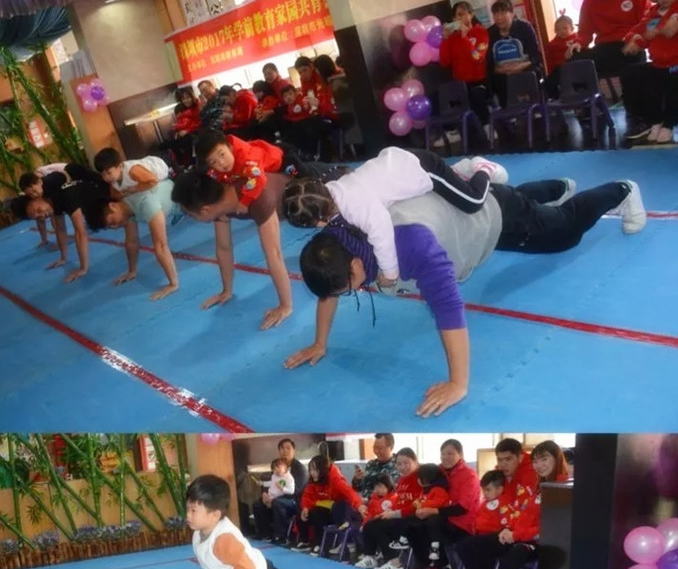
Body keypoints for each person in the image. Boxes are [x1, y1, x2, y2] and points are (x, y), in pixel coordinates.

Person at [286, 174, 646, 418]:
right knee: (514, 200)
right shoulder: (338, 238)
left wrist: (458, 383)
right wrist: (320, 343)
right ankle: (557, 186)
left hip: (495, 220)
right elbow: (330, 288)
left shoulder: (411, 246)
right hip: (466, 209)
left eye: (348, 287)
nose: (349, 293)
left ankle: (621, 190)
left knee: (563, 231)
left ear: (354, 264)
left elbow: (449, 309)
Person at [281, 147, 507, 287]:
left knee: (473, 202)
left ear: (319, 220)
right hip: (396, 163)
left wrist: (390, 274)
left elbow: (382, 233)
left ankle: (482, 168)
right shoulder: (329, 191)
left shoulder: (356, 206)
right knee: (454, 190)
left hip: (422, 168)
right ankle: (456, 177)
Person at [170, 158, 346, 330]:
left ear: (205, 210)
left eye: (190, 214)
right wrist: (226, 291)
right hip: (305, 197)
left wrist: (285, 306)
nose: (192, 218)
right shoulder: (219, 202)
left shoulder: (258, 198)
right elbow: (224, 248)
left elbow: (274, 254)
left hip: (327, 182)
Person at [455, 440, 569, 569]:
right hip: (518, 535)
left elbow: (547, 528)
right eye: (535, 461)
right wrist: (509, 529)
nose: (539, 465)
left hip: (538, 543)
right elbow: (524, 514)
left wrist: (516, 535)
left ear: (557, 459)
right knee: (466, 545)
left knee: (516, 553)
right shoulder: (539, 487)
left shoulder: (561, 488)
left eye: (544, 459)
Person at [82, 178, 183, 301]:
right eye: (110, 227)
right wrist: (132, 271)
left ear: (113, 206)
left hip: (187, 193)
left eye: (112, 222)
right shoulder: (127, 209)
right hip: (179, 200)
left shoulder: (146, 204)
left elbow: (161, 246)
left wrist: (173, 284)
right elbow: (132, 242)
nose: (115, 227)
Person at [10, 166, 109, 283]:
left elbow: (80, 232)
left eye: (38, 210)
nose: (42, 216)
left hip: (103, 188)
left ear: (37, 198)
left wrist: (83, 268)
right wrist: (63, 258)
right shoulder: (53, 201)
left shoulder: (64, 195)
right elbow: (60, 229)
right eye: (37, 217)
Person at [406, 439, 481, 569]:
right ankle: (428, 564)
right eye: (443, 454)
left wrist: (433, 510)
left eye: (450, 453)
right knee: (411, 525)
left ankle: (445, 566)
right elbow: (423, 482)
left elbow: (462, 508)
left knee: (433, 522)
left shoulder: (470, 476)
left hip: (462, 524)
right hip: (441, 519)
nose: (446, 457)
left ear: (461, 454)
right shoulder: (438, 471)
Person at [622, 0, 678, 144]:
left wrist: (656, 32)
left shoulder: (677, 11)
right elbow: (640, 32)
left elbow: (669, 31)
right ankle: (655, 122)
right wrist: (635, 40)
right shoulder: (653, 13)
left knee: (673, 90)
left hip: (676, 63)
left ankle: (669, 124)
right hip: (658, 63)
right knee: (645, 84)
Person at [575, 0, 650, 85]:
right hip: (604, 49)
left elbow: (646, 21)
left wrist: (636, 40)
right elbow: (584, 33)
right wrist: (578, 43)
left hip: (628, 44)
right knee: (574, 56)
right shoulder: (589, 1)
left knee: (632, 55)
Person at [355, 447, 423, 569]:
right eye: (399, 464)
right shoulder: (402, 480)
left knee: (379, 527)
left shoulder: (420, 479)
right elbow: (399, 502)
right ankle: (370, 556)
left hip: (413, 519)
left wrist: (394, 514)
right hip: (400, 516)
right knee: (370, 524)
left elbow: (418, 504)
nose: (402, 467)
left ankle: (395, 563)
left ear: (415, 461)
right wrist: (388, 513)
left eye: (406, 463)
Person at [194, 129, 299, 207]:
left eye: (222, 154)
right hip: (260, 151)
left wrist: (244, 203)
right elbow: (213, 178)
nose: (221, 163)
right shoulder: (215, 169)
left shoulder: (247, 159)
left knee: (300, 176)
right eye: (213, 162)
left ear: (230, 147)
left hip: (282, 157)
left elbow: (258, 179)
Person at [294, 454, 364, 554]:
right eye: (311, 470)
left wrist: (359, 505)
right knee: (301, 513)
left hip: (338, 511)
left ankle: (322, 544)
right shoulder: (313, 481)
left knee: (318, 514)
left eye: (315, 470)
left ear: (323, 470)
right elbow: (307, 496)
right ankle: (305, 542)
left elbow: (349, 492)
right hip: (323, 507)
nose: (312, 473)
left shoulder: (335, 479)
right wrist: (305, 508)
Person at [439, 0, 491, 124]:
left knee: (476, 96)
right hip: (460, 84)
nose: (460, 18)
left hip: (479, 81)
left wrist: (465, 38)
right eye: (457, 16)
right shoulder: (452, 38)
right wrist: (445, 39)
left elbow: (478, 58)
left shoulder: (481, 32)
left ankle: (487, 125)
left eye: (463, 14)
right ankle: (455, 129)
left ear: (471, 14)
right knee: (442, 99)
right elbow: (444, 62)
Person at [487, 0, 545, 108]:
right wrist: (500, 70)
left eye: (503, 13)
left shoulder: (525, 28)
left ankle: (534, 108)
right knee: (493, 80)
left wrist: (518, 67)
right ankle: (506, 111)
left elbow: (536, 56)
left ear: (512, 13)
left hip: (524, 68)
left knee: (530, 74)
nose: (499, 17)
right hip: (502, 73)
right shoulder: (490, 33)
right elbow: (488, 63)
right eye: (496, 14)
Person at [253, 437, 308, 544]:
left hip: (294, 500)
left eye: (288, 448)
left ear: (294, 451)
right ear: (278, 451)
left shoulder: (300, 469)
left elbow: (295, 491)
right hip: (277, 496)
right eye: (282, 448)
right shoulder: (277, 466)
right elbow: (272, 483)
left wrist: (273, 498)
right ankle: (265, 534)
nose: (285, 451)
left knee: (277, 503)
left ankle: (281, 536)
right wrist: (265, 494)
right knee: (258, 504)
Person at [93, 147, 170, 197]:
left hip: (159, 167)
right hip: (144, 176)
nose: (106, 178)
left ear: (119, 166)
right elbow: (114, 194)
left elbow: (153, 181)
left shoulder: (133, 171)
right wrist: (121, 194)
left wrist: (136, 188)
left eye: (109, 173)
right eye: (103, 175)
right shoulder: (113, 179)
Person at [351, 433, 399, 498]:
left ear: (391, 447)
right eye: (375, 447)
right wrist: (357, 479)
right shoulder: (371, 464)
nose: (377, 451)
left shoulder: (399, 465)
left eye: (380, 448)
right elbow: (358, 488)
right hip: (368, 503)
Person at [545, 14, 582, 98]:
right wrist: (550, 72)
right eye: (558, 30)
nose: (562, 31)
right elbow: (549, 60)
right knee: (549, 82)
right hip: (560, 69)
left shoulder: (577, 39)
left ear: (572, 28)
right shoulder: (552, 44)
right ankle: (556, 98)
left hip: (576, 67)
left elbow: (583, 46)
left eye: (565, 28)